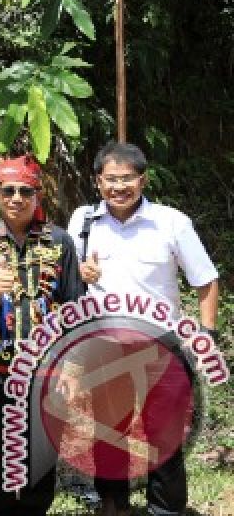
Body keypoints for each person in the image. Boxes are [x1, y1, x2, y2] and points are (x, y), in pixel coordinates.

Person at [67, 141, 220, 516]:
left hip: (162, 344)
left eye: (127, 178)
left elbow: (206, 281)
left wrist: (206, 336)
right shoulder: (82, 221)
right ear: (97, 181)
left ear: (143, 179)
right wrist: (79, 272)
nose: (119, 187)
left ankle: (164, 508)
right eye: (110, 179)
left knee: (164, 434)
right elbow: (64, 280)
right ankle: (113, 503)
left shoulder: (171, 222)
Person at [0, 156, 86, 516]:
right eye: (8, 190)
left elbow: (75, 307)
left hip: (47, 371)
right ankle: (0, 509)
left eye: (25, 190)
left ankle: (35, 510)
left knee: (41, 451)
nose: (16, 198)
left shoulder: (60, 241)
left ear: (37, 194)